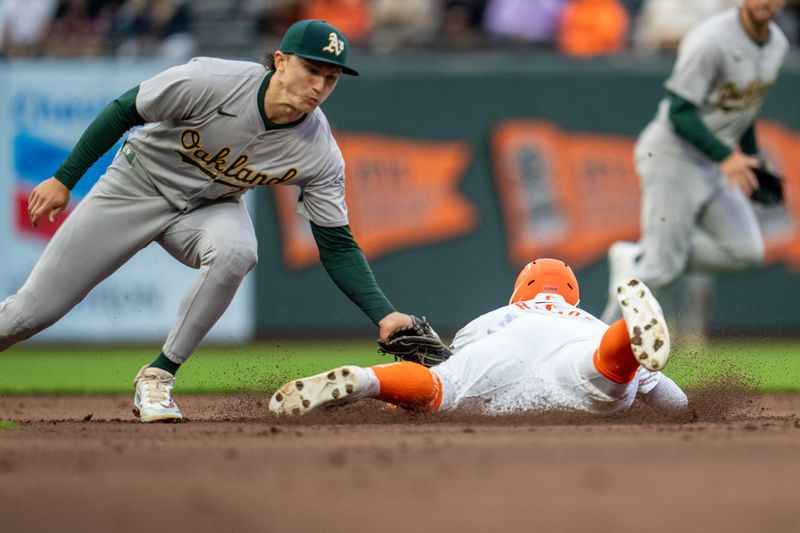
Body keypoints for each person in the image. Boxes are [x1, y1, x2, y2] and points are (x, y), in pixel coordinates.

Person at [1, 19, 418, 423]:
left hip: (209, 206)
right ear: (280, 61)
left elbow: (337, 245)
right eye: (311, 69)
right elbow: (125, 108)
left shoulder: (319, 151)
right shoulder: (212, 80)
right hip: (136, 185)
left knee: (237, 251)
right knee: (29, 315)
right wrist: (64, 179)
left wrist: (384, 315)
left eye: (331, 78)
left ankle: (158, 376)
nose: (319, 86)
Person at [269, 258, 688, 417]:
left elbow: (450, 373)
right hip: (577, 353)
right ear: (572, 297)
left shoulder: (495, 317)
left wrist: (420, 394)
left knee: (442, 388)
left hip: (502, 352)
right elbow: (666, 396)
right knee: (607, 370)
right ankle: (628, 336)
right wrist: (685, 412)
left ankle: (368, 380)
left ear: (519, 292)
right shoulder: (585, 322)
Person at [601, 0, 789, 324]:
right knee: (660, 271)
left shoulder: (777, 44)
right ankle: (596, 345)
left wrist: (752, 159)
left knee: (745, 252)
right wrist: (726, 156)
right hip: (673, 156)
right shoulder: (711, 39)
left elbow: (745, 110)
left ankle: (637, 259)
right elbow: (680, 111)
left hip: (715, 162)